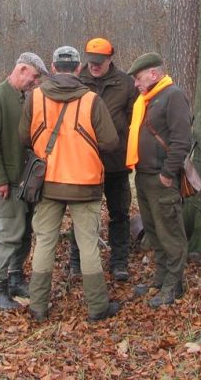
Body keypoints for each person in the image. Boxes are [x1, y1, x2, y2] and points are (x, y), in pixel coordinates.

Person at [20, 46, 121, 322]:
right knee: (87, 245)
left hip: (48, 183)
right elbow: (111, 142)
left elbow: (22, 138)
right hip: (84, 183)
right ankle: (97, 307)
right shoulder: (91, 100)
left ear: (52, 67)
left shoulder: (35, 98)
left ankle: (38, 306)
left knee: (44, 243)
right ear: (79, 68)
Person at [0, 52, 49, 310]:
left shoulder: (22, 99)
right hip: (7, 182)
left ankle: (16, 277)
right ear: (21, 69)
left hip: (25, 180)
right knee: (9, 233)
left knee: (25, 231)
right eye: (35, 76)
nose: (36, 82)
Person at [126, 52, 192, 308]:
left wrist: (167, 173)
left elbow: (181, 140)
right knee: (154, 232)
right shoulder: (147, 99)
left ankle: (173, 287)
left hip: (161, 179)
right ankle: (160, 280)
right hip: (144, 177)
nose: (135, 84)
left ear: (153, 74)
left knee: (170, 234)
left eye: (138, 78)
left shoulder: (173, 96)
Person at [69, 37, 138, 282]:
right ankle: (76, 262)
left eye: (100, 62)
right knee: (83, 215)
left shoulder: (127, 84)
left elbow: (133, 121)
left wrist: (128, 152)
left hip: (116, 163)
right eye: (91, 61)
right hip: (84, 163)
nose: (95, 66)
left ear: (110, 59)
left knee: (119, 214)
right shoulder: (78, 81)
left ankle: (119, 262)